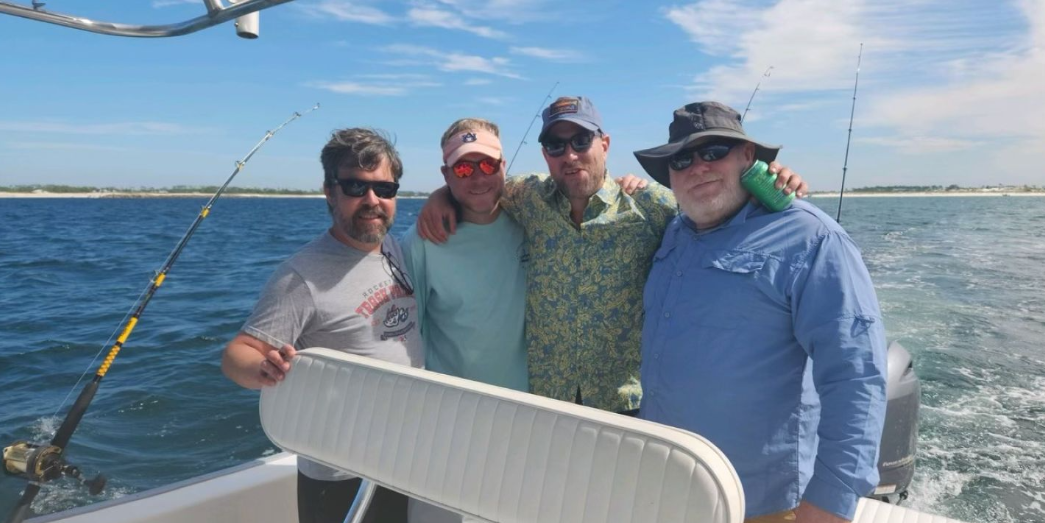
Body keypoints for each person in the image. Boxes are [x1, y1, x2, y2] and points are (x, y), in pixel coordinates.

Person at [417, 96, 808, 412]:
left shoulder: (651, 206)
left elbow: (718, 209)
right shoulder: (526, 197)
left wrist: (766, 180)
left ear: (604, 144)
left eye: (581, 141)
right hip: (545, 401)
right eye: (555, 145)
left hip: (625, 405)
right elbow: (479, 185)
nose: (570, 155)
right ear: (545, 154)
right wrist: (440, 196)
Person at [633, 101, 887, 523]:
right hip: (666, 484)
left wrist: (832, 500)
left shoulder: (812, 238)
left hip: (761, 502)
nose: (698, 167)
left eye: (714, 151)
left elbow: (856, 373)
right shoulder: (674, 231)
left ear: (748, 157)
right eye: (682, 159)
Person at [221, 128, 421, 523]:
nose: (372, 200)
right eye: (355, 187)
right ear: (330, 191)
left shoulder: (397, 249)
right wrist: (264, 367)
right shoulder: (300, 276)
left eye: (384, 188)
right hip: (340, 472)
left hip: (403, 457)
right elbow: (236, 355)